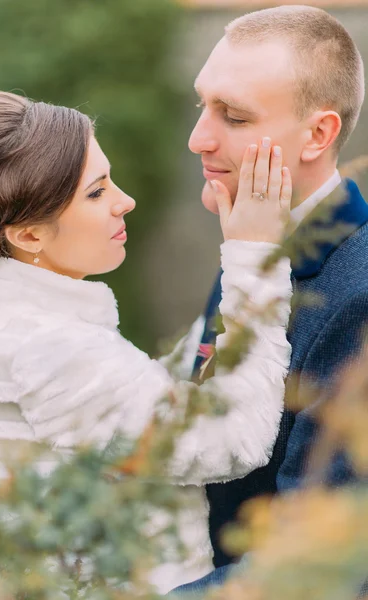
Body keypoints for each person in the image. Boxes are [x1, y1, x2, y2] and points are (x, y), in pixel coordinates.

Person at [0, 91, 292, 593]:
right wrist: (257, 261)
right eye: (96, 193)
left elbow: (127, 404)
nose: (125, 201)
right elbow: (234, 440)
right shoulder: (53, 349)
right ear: (28, 234)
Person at [174, 4, 368, 594]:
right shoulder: (252, 240)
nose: (197, 139)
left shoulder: (357, 300)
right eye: (202, 105)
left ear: (318, 134)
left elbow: (319, 567)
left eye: (232, 116)